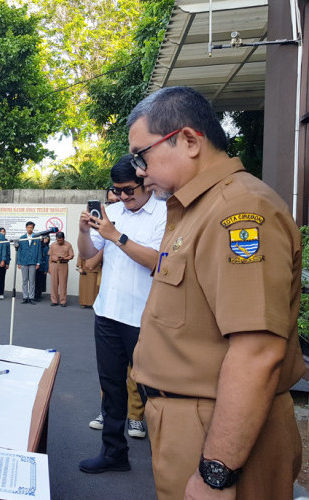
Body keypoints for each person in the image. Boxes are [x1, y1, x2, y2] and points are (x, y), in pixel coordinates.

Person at [128, 86, 305, 499]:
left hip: (217, 432)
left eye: (143, 155)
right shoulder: (196, 208)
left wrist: (216, 473)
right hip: (190, 422)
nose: (138, 170)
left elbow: (257, 352)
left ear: (189, 141)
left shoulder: (239, 211)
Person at [77, 154, 167, 474]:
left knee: (153, 391)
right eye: (117, 190)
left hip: (144, 318)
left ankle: (169, 459)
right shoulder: (111, 211)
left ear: (145, 182)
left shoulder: (163, 213)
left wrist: (116, 235)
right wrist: (84, 231)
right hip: (108, 314)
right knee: (112, 387)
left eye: (129, 189)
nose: (124, 196)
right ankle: (114, 452)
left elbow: (157, 261)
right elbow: (88, 258)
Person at [16, 221, 41, 304]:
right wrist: (18, 262)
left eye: (31, 227)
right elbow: (19, 251)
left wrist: (38, 263)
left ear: (33, 228)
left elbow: (39, 251)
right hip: (24, 262)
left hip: (33, 262)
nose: (29, 229)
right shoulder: (22, 237)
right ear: (26, 228)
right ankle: (25, 297)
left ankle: (31, 297)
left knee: (32, 281)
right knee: (24, 280)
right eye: (28, 227)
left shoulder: (36, 238)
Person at [48, 232, 74, 307]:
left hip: (63, 265)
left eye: (60, 240)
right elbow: (50, 256)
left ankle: (63, 301)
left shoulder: (68, 245)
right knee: (53, 284)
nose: (59, 241)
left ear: (63, 238)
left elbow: (71, 256)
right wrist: (49, 267)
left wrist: (64, 258)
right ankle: (54, 301)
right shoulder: (53, 245)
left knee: (63, 284)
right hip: (54, 264)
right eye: (58, 240)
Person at [0, 227, 10, 300]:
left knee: (1, 278)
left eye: (3, 232)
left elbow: (8, 253)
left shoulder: (6, 241)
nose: (2, 233)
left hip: (3, 262)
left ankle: (1, 293)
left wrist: (7, 263)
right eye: (1, 232)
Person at [34, 234, 50, 302]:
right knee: (34, 281)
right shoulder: (37, 246)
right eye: (45, 238)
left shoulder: (46, 248)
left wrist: (46, 269)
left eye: (48, 239)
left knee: (40, 282)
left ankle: (38, 295)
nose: (46, 240)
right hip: (35, 266)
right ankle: (33, 294)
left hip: (42, 267)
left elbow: (47, 259)